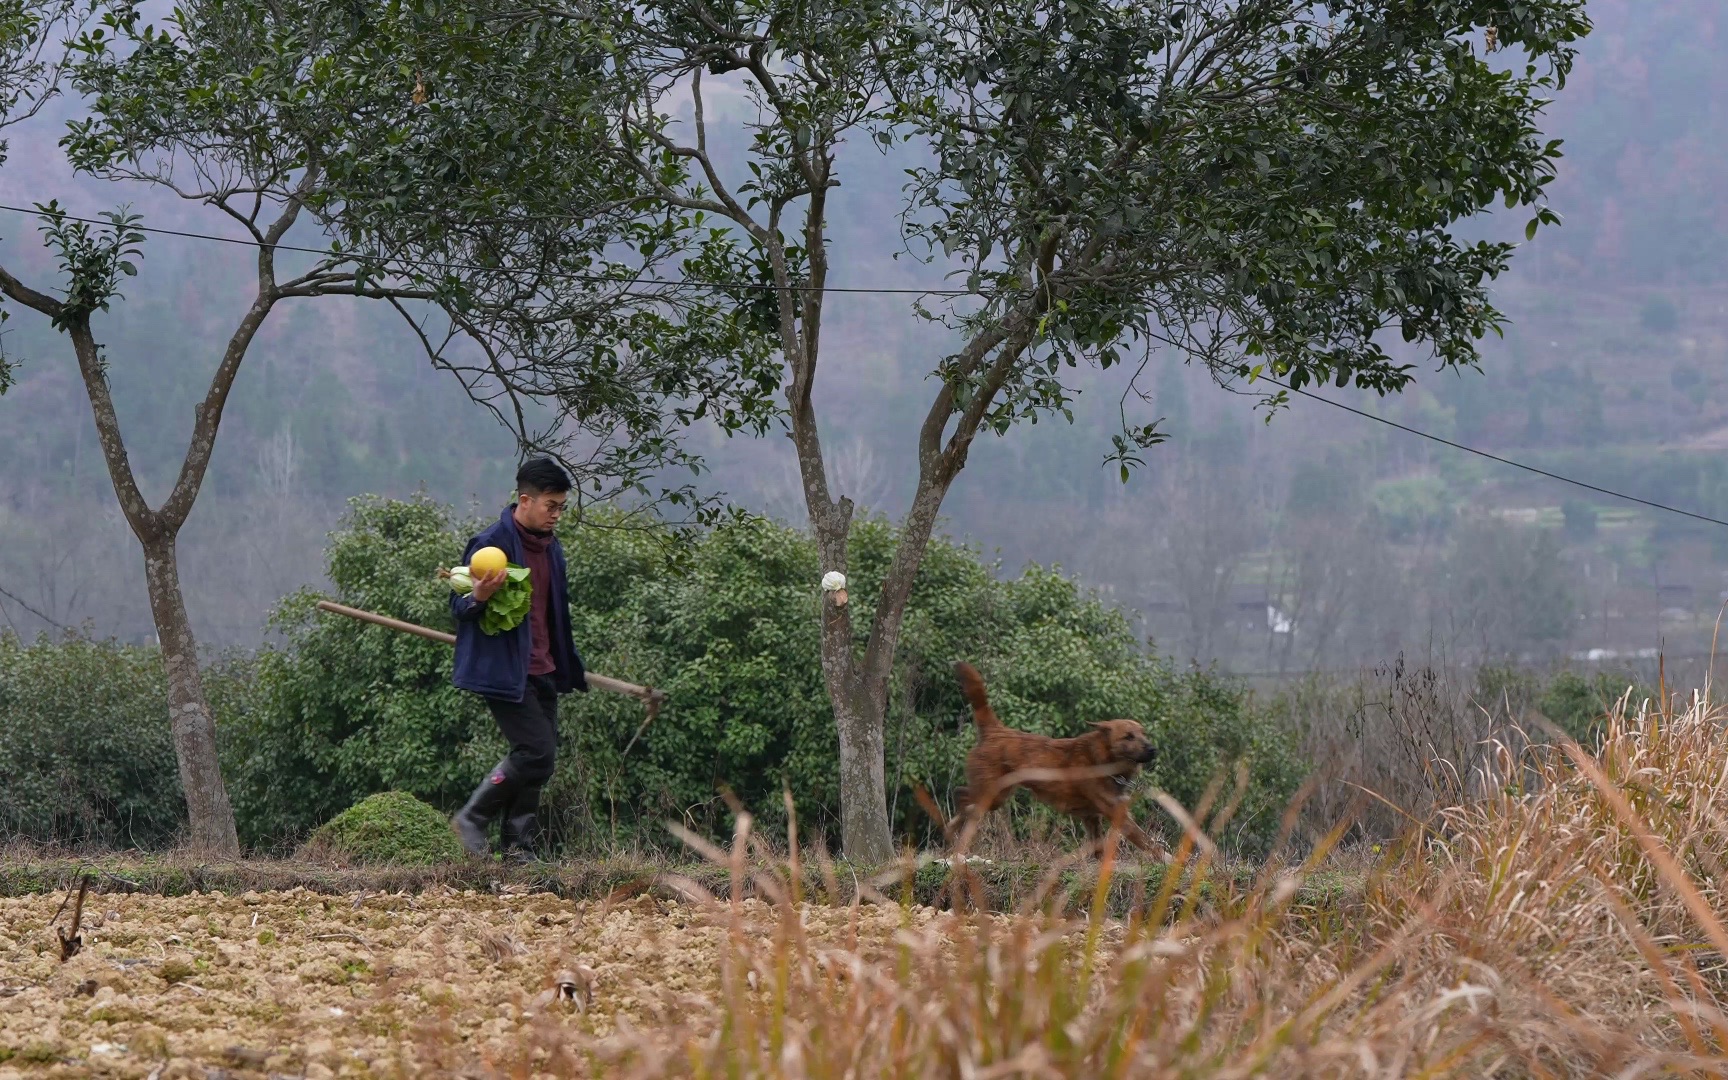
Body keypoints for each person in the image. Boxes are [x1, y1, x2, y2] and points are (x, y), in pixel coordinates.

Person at [449, 457, 588, 859]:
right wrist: (479, 597)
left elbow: (553, 612)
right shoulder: (491, 545)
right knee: (536, 752)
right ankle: (471, 818)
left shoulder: (551, 548)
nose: (557, 515)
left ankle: (517, 849)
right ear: (525, 500)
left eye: (561, 506)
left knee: (540, 762)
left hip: (546, 666)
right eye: (551, 506)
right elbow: (458, 608)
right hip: (508, 671)